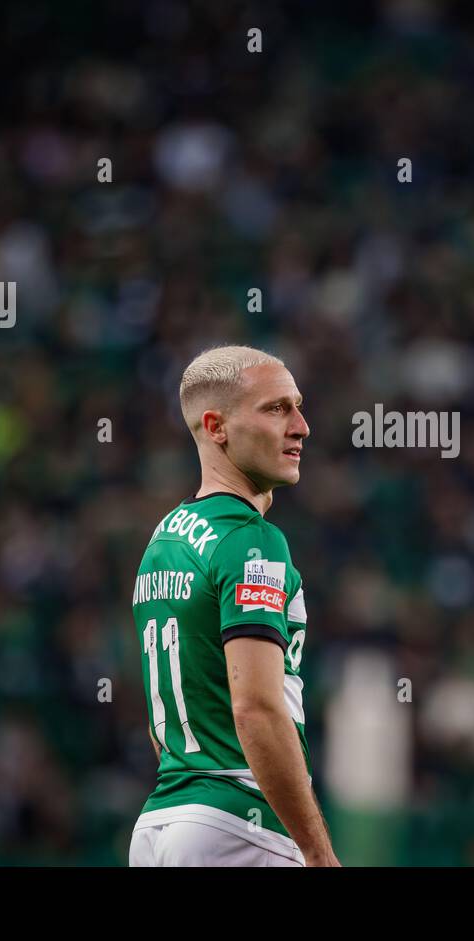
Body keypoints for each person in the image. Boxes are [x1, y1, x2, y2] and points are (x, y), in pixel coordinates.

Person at [127, 345, 339, 867]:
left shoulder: (165, 540)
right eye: (276, 409)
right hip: (238, 828)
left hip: (162, 825)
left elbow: (172, 717)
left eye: (298, 405)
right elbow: (257, 707)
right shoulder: (251, 540)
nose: (302, 426)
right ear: (216, 426)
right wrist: (317, 852)